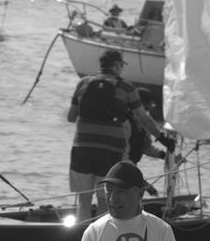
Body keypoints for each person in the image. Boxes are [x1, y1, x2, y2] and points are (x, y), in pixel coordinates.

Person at [67, 48, 173, 222]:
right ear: (116, 65)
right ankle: (100, 240)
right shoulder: (126, 87)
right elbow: (143, 118)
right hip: (110, 150)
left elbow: (71, 117)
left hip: (82, 148)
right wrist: (162, 139)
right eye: (122, 65)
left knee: (84, 200)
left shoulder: (84, 83)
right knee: (104, 199)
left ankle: (81, 238)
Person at [125, 90, 167, 167]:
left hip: (131, 165)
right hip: (121, 165)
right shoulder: (125, 122)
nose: (145, 114)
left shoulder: (143, 128)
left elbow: (146, 147)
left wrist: (165, 156)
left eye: (147, 110)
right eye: (145, 109)